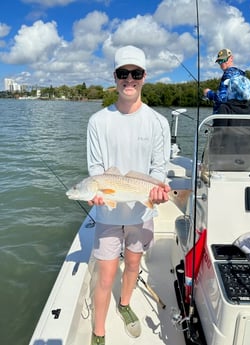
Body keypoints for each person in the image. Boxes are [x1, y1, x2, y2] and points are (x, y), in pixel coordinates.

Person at [86, 45, 171, 345]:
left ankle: (124, 305)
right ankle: (98, 332)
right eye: (123, 73)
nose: (129, 79)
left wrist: (159, 192)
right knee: (105, 274)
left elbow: (159, 169)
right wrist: (96, 193)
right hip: (108, 213)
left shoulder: (158, 122)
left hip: (142, 210)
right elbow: (96, 167)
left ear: (144, 77)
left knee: (133, 264)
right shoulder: (98, 121)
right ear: (115, 77)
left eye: (135, 73)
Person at [203, 48, 245, 113]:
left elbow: (222, 98)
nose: (222, 63)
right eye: (220, 61)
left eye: (224, 60)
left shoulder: (229, 74)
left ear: (231, 58)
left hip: (225, 119)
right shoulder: (240, 75)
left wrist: (208, 93)